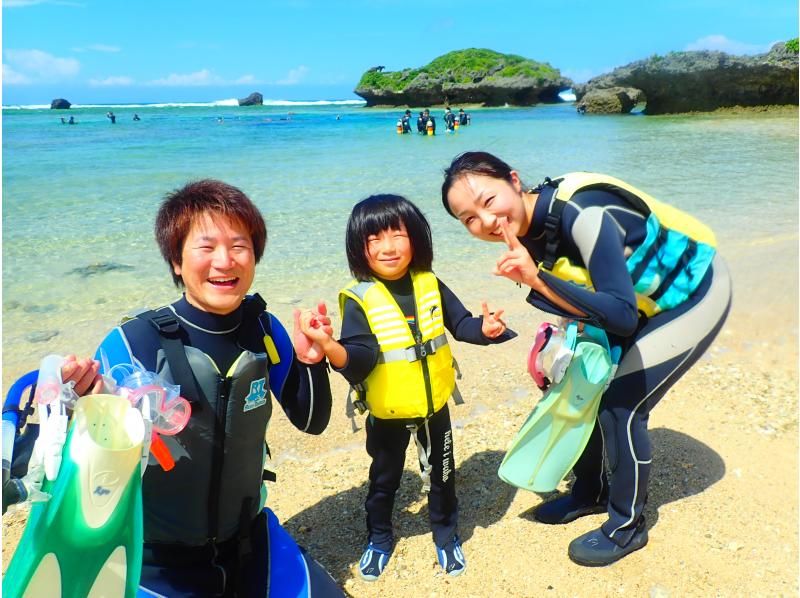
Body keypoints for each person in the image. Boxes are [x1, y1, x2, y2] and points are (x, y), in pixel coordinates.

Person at [441, 151, 731, 566]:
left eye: (488, 202)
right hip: (641, 302)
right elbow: (586, 295)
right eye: (469, 219)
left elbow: (623, 317)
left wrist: (536, 278)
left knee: (620, 407)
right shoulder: (525, 231)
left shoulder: (584, 213)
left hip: (693, 292)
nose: (485, 222)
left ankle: (626, 527)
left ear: (515, 180)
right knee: (581, 384)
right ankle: (588, 492)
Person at [63, 179, 344, 596]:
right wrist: (85, 400)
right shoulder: (134, 341)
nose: (224, 261)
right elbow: (89, 469)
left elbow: (312, 421)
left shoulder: (264, 329)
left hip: (248, 546)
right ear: (177, 261)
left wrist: (310, 361)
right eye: (206, 246)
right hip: (158, 563)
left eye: (239, 246)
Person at [296, 194, 516, 581]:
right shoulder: (359, 298)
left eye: (397, 234)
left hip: (434, 408)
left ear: (416, 238)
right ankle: (379, 539)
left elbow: (461, 324)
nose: (388, 247)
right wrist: (329, 347)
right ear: (358, 248)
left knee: (443, 475)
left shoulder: (429, 283)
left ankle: (446, 537)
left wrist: (487, 330)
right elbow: (360, 358)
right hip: (387, 413)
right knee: (384, 479)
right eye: (374, 239)